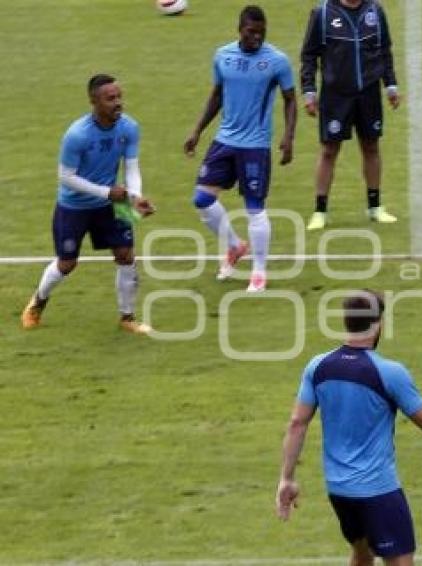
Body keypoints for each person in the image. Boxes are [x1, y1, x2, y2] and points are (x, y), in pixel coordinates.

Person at [276, 290, 422, 566]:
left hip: (339, 490)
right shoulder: (388, 371)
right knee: (400, 561)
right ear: (379, 323)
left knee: (362, 552)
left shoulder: (317, 366)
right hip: (377, 490)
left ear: (346, 322)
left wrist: (287, 478)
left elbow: (297, 423)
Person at [21, 74, 155, 334]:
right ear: (94, 101)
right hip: (75, 206)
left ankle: (127, 317)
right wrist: (107, 192)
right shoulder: (77, 135)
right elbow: (66, 177)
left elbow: (132, 167)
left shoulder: (129, 127)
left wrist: (135, 196)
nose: (118, 103)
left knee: (126, 255)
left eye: (119, 97)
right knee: (67, 263)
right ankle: (38, 302)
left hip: (112, 202)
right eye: (110, 98)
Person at [184, 5, 297, 292]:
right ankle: (235, 246)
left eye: (261, 32)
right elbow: (217, 95)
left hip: (256, 145)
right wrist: (197, 131)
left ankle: (259, 272)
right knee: (202, 199)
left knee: (255, 209)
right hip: (224, 140)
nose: (257, 37)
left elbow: (290, 99)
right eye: (251, 32)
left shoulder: (277, 61)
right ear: (240, 30)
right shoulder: (223, 56)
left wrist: (288, 137)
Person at [300, 0, 400, 231]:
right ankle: (320, 210)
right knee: (329, 150)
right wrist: (309, 90)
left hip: (369, 92)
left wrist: (391, 85)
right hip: (336, 96)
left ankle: (374, 207)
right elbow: (309, 55)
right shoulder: (322, 13)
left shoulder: (375, 10)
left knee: (371, 146)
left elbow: (384, 50)